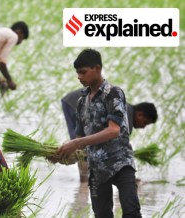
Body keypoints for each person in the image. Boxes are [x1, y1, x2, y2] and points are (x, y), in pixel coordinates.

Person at [54, 49, 142, 217]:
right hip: (97, 168)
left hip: (121, 164)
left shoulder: (113, 94)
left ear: (97, 68)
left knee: (132, 212)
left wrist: (76, 143)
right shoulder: (81, 101)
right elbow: (80, 137)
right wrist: (62, 152)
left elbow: (113, 130)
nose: (79, 77)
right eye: (77, 73)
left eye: (83, 72)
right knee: (101, 214)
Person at [61, 88, 158, 182]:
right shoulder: (126, 118)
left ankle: (84, 182)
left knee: (84, 147)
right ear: (140, 115)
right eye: (145, 122)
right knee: (81, 146)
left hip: (77, 101)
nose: (144, 126)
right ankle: (83, 183)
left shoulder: (126, 111)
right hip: (75, 103)